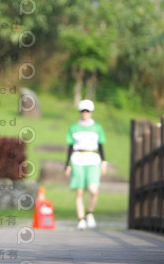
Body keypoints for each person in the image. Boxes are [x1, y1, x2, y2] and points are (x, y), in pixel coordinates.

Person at [64, 99, 107, 230]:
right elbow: (70, 147)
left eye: (87, 111)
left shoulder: (97, 128)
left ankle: (90, 213)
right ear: (80, 112)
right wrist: (67, 165)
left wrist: (104, 162)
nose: (85, 113)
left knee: (93, 190)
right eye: (83, 111)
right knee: (80, 191)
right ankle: (81, 219)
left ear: (91, 112)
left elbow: (101, 145)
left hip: (93, 159)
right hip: (78, 159)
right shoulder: (74, 128)